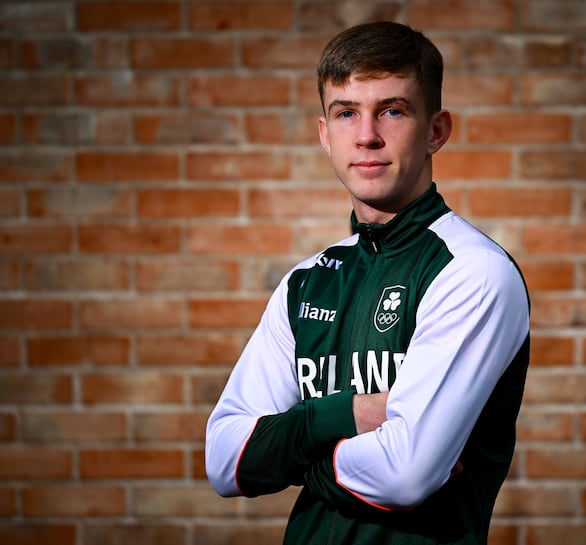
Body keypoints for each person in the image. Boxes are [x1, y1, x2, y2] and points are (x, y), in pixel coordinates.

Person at [205, 21, 530, 545]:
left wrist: (291, 458)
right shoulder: (306, 283)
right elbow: (223, 459)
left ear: (436, 130)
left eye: (393, 110)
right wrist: (347, 414)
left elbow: (406, 475)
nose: (367, 135)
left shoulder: (472, 272)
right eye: (346, 113)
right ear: (324, 134)